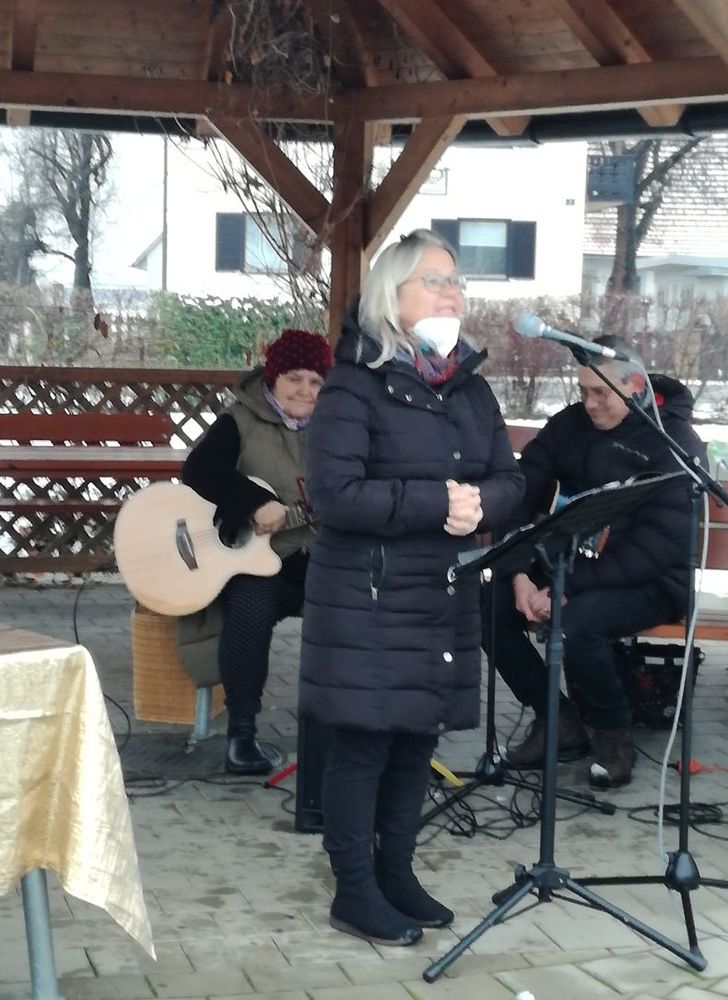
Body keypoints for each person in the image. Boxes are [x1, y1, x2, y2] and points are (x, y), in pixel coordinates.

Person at [299, 229, 525, 947]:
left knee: (414, 741)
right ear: (389, 296)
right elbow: (334, 495)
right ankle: (353, 890)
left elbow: (510, 478)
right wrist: (438, 504)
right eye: (434, 280)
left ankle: (394, 872)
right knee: (365, 744)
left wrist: (482, 504)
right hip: (368, 597)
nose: (451, 293)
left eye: (456, 281)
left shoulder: (470, 387)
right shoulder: (352, 385)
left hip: (441, 593)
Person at [482, 337, 707, 789]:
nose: (589, 403)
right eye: (583, 391)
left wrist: (567, 588)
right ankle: (556, 717)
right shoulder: (569, 425)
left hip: (652, 579)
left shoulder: (674, 441)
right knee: (483, 603)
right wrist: (519, 572)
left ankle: (613, 734)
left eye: (601, 392)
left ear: (635, 385)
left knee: (575, 623)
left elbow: (658, 547)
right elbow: (519, 496)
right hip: (567, 563)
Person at [181, 327, 333, 775]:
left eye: (316, 381)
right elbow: (199, 470)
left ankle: (352, 728)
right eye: (294, 378)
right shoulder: (240, 419)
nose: (305, 390)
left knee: (364, 608)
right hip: (260, 559)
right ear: (273, 377)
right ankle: (242, 735)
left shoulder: (338, 425)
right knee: (248, 608)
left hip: (325, 558)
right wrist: (253, 501)